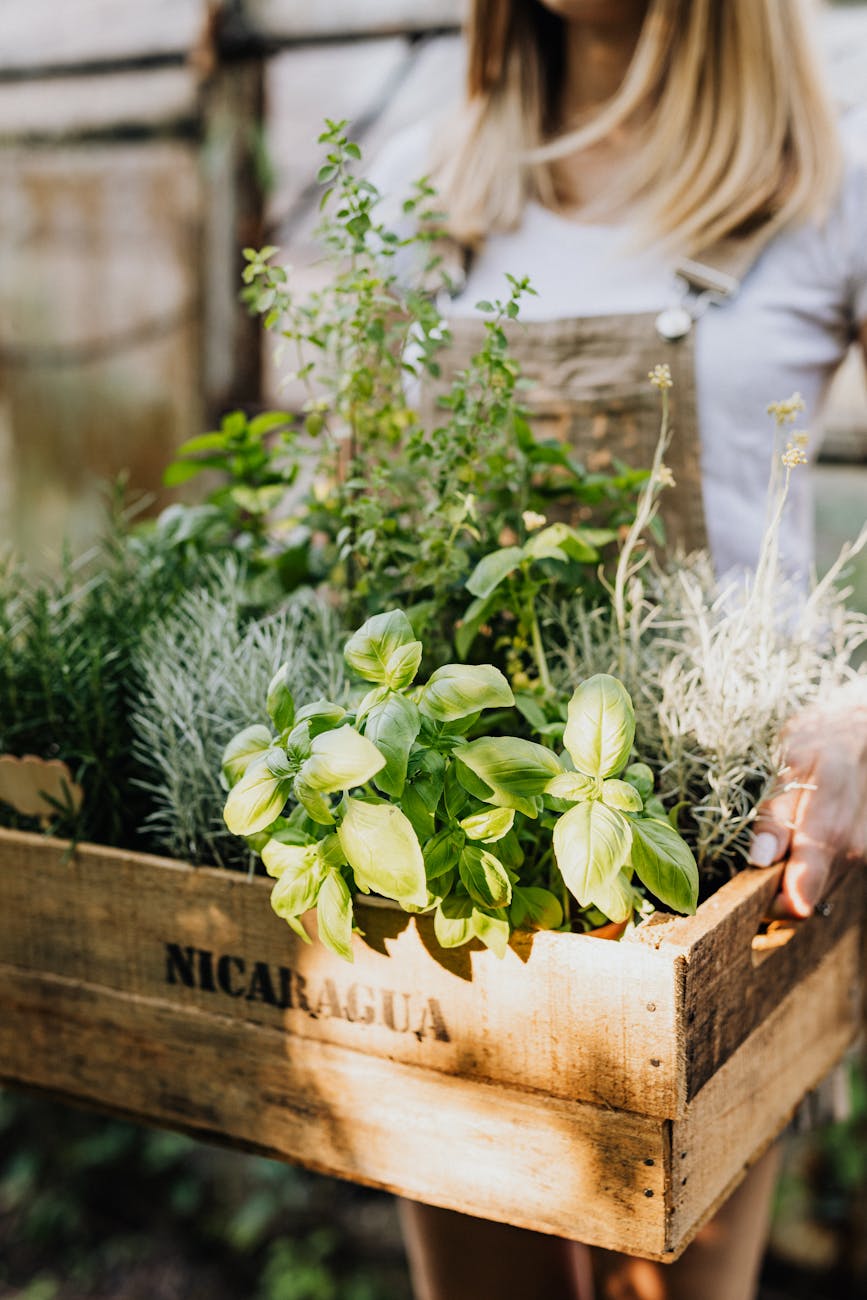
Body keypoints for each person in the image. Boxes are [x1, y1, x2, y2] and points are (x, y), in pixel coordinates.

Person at [370, 2, 867, 1298]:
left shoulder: (825, 176)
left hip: (720, 859)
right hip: (468, 842)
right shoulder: (430, 183)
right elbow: (357, 513)